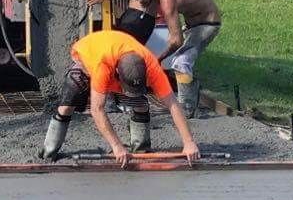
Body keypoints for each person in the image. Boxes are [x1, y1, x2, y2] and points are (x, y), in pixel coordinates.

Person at [40, 29, 200, 166]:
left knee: (140, 104)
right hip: (88, 57)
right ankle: (48, 152)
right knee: (67, 104)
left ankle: (141, 150)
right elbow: (97, 109)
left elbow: (172, 103)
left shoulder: (152, 67)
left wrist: (189, 142)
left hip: (116, 55)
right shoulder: (102, 66)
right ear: (117, 74)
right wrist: (116, 146)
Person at [128, 0, 221, 118]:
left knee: (180, 62)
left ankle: (186, 107)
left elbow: (177, 41)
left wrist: (157, 60)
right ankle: (190, 87)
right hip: (192, 23)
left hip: (207, 24)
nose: (140, 1)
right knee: (171, 59)